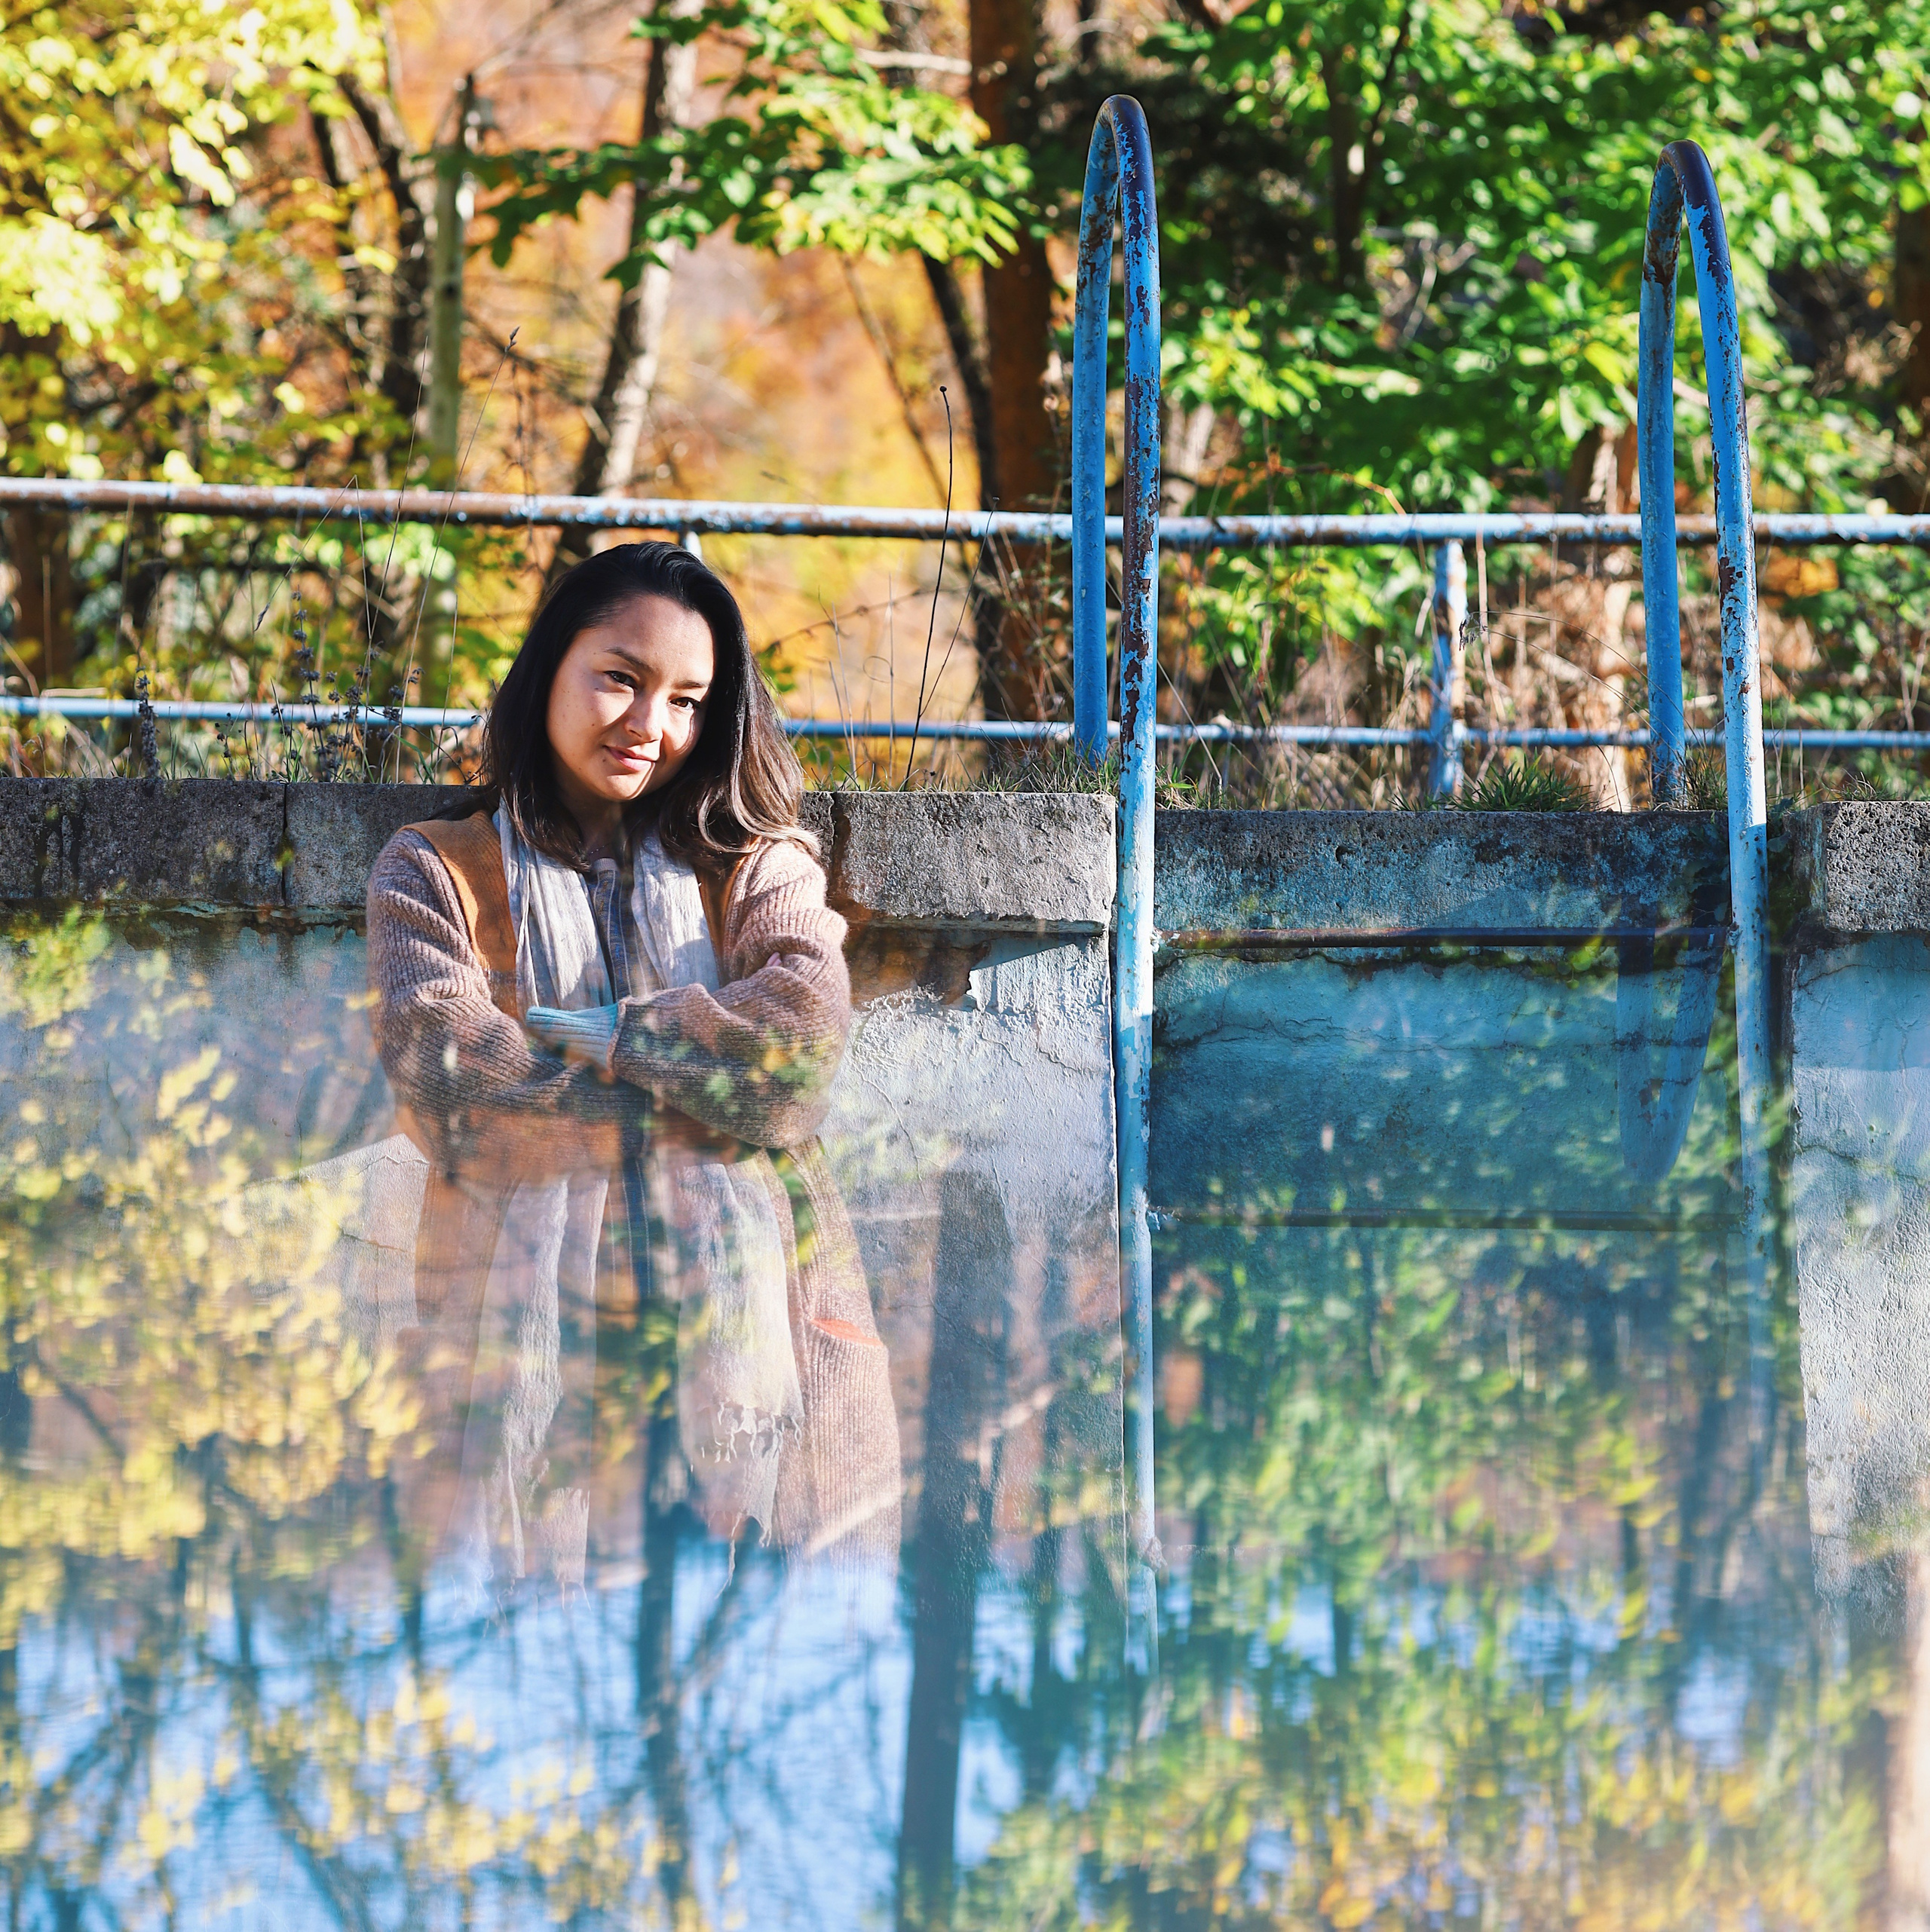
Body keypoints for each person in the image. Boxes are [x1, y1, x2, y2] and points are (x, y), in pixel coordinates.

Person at [366, 541, 899, 1593]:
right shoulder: (433, 872)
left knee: (755, 1651)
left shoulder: (754, 865)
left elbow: (799, 1046)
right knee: (534, 1655)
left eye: (687, 701)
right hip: (525, 1354)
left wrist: (621, 1037)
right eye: (621, 677)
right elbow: (450, 1087)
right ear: (548, 669)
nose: (651, 725)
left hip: (760, 1360)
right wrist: (716, 1094)